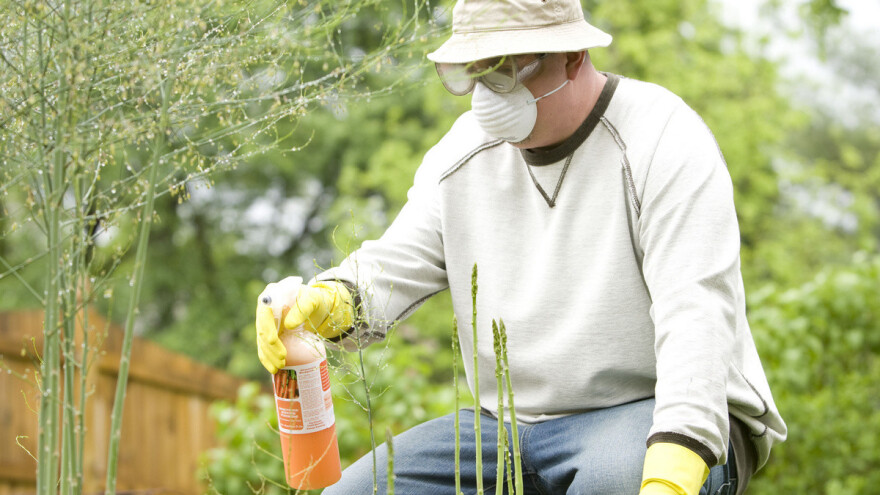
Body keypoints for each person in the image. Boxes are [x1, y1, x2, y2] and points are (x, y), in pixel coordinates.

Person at [254, 0, 787, 493]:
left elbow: (696, 314)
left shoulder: (662, 137)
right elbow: (394, 267)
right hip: (505, 427)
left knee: (614, 482)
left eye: (505, 69)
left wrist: (676, 464)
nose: (486, 95)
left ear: (572, 56)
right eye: (470, 74)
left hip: (651, 415)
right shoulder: (461, 154)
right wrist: (331, 300)